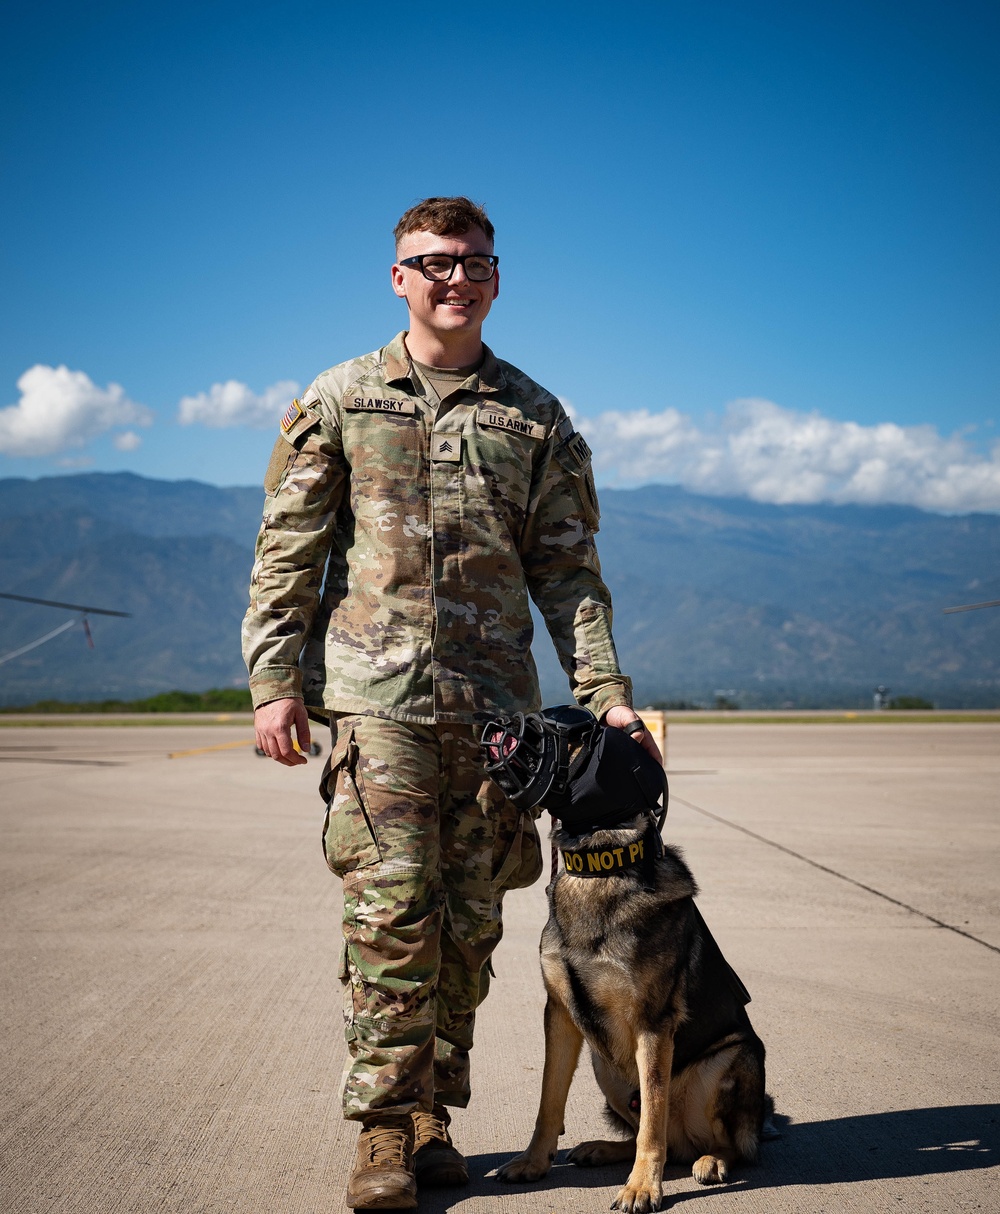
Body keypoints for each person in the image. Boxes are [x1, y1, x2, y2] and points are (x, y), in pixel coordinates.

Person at [243, 196, 660, 1210]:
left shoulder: (534, 415)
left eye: (472, 261)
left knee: (469, 925)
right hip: (375, 704)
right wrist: (273, 681)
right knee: (390, 913)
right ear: (399, 277)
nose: (452, 277)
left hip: (496, 719)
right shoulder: (342, 397)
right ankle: (383, 1131)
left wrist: (604, 693)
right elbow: (290, 549)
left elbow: (567, 569)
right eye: (430, 262)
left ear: (495, 276)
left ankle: (434, 1110)